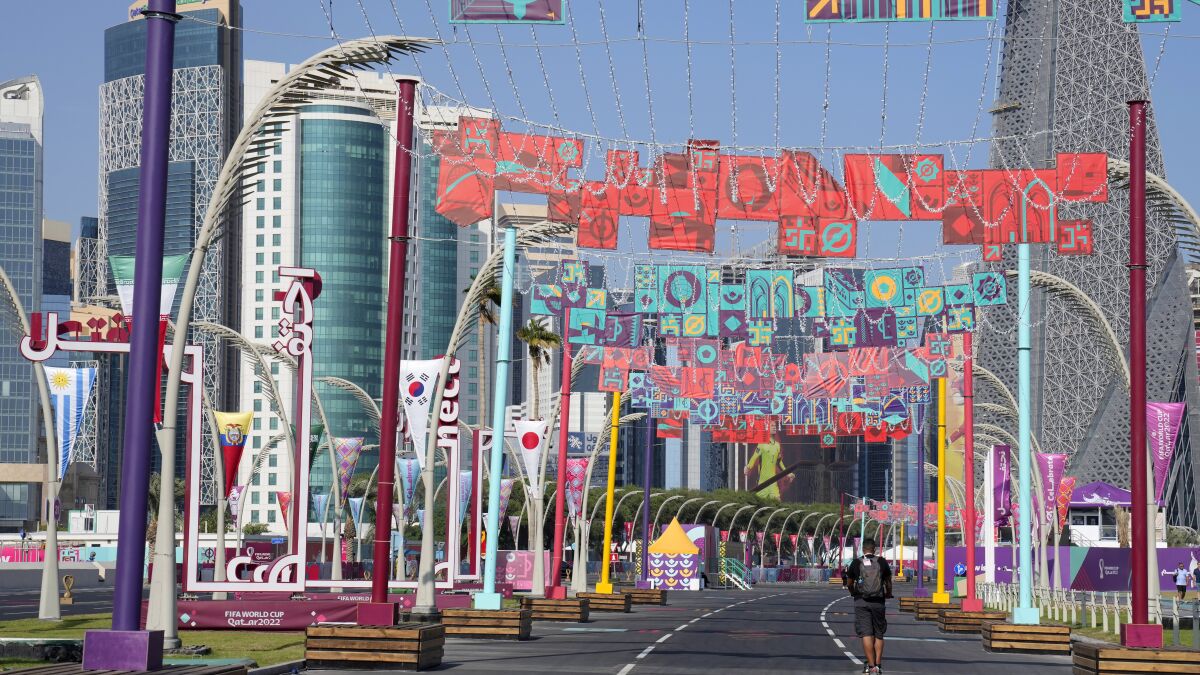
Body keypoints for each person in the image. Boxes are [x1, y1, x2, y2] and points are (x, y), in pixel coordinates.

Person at [843, 537, 892, 675]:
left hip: (861, 602)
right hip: (878, 602)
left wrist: (853, 592)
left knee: (866, 634)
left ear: (863, 549)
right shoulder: (882, 562)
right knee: (879, 634)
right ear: (874, 549)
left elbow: (849, 582)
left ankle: (871, 667)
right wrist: (888, 593)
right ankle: (878, 665)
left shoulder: (856, 562)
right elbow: (888, 581)